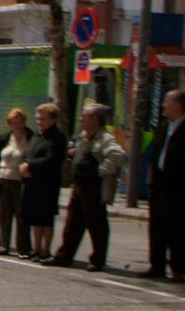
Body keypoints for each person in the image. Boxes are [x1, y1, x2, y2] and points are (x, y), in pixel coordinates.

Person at [42, 105, 126, 271]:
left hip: (93, 187)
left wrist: (101, 170)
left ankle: (97, 259)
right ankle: (64, 256)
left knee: (96, 224)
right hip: (79, 185)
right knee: (72, 223)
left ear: (95, 120)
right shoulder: (84, 136)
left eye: (84, 116)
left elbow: (119, 155)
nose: (81, 119)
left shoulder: (105, 138)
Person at [140, 90, 185, 282]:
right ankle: (156, 265)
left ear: (178, 105)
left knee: (176, 229)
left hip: (178, 187)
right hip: (158, 186)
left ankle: (178, 268)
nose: (163, 106)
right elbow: (155, 155)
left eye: (167, 102)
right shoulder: (162, 127)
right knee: (156, 227)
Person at [19, 103, 66, 261]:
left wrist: (31, 165)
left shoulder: (58, 137)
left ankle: (46, 250)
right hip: (32, 182)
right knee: (35, 218)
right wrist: (25, 165)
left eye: (43, 119)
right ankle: (36, 248)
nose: (39, 122)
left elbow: (52, 160)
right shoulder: (37, 136)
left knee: (45, 219)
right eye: (38, 119)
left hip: (47, 184)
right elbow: (28, 154)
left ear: (53, 120)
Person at [0, 108, 33, 256]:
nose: (18, 125)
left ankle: (24, 247)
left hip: (21, 180)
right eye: (14, 122)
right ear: (9, 124)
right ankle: (2, 245)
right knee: (4, 214)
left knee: (22, 214)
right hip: (4, 178)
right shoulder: (5, 138)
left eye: (20, 122)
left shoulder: (31, 137)